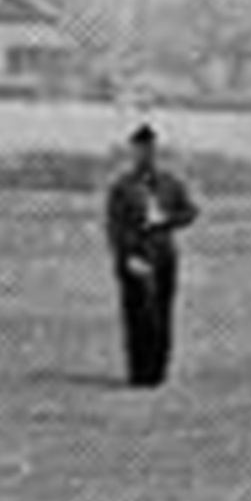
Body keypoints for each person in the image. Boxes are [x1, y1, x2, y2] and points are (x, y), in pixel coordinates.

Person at [102, 124, 200, 388]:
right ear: (133, 152)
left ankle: (158, 372)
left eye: (150, 149)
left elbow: (190, 211)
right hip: (135, 254)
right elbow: (114, 226)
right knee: (137, 314)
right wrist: (126, 257)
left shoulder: (169, 183)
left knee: (162, 313)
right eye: (140, 149)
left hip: (163, 254)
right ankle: (138, 372)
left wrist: (168, 219)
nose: (145, 154)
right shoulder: (122, 187)